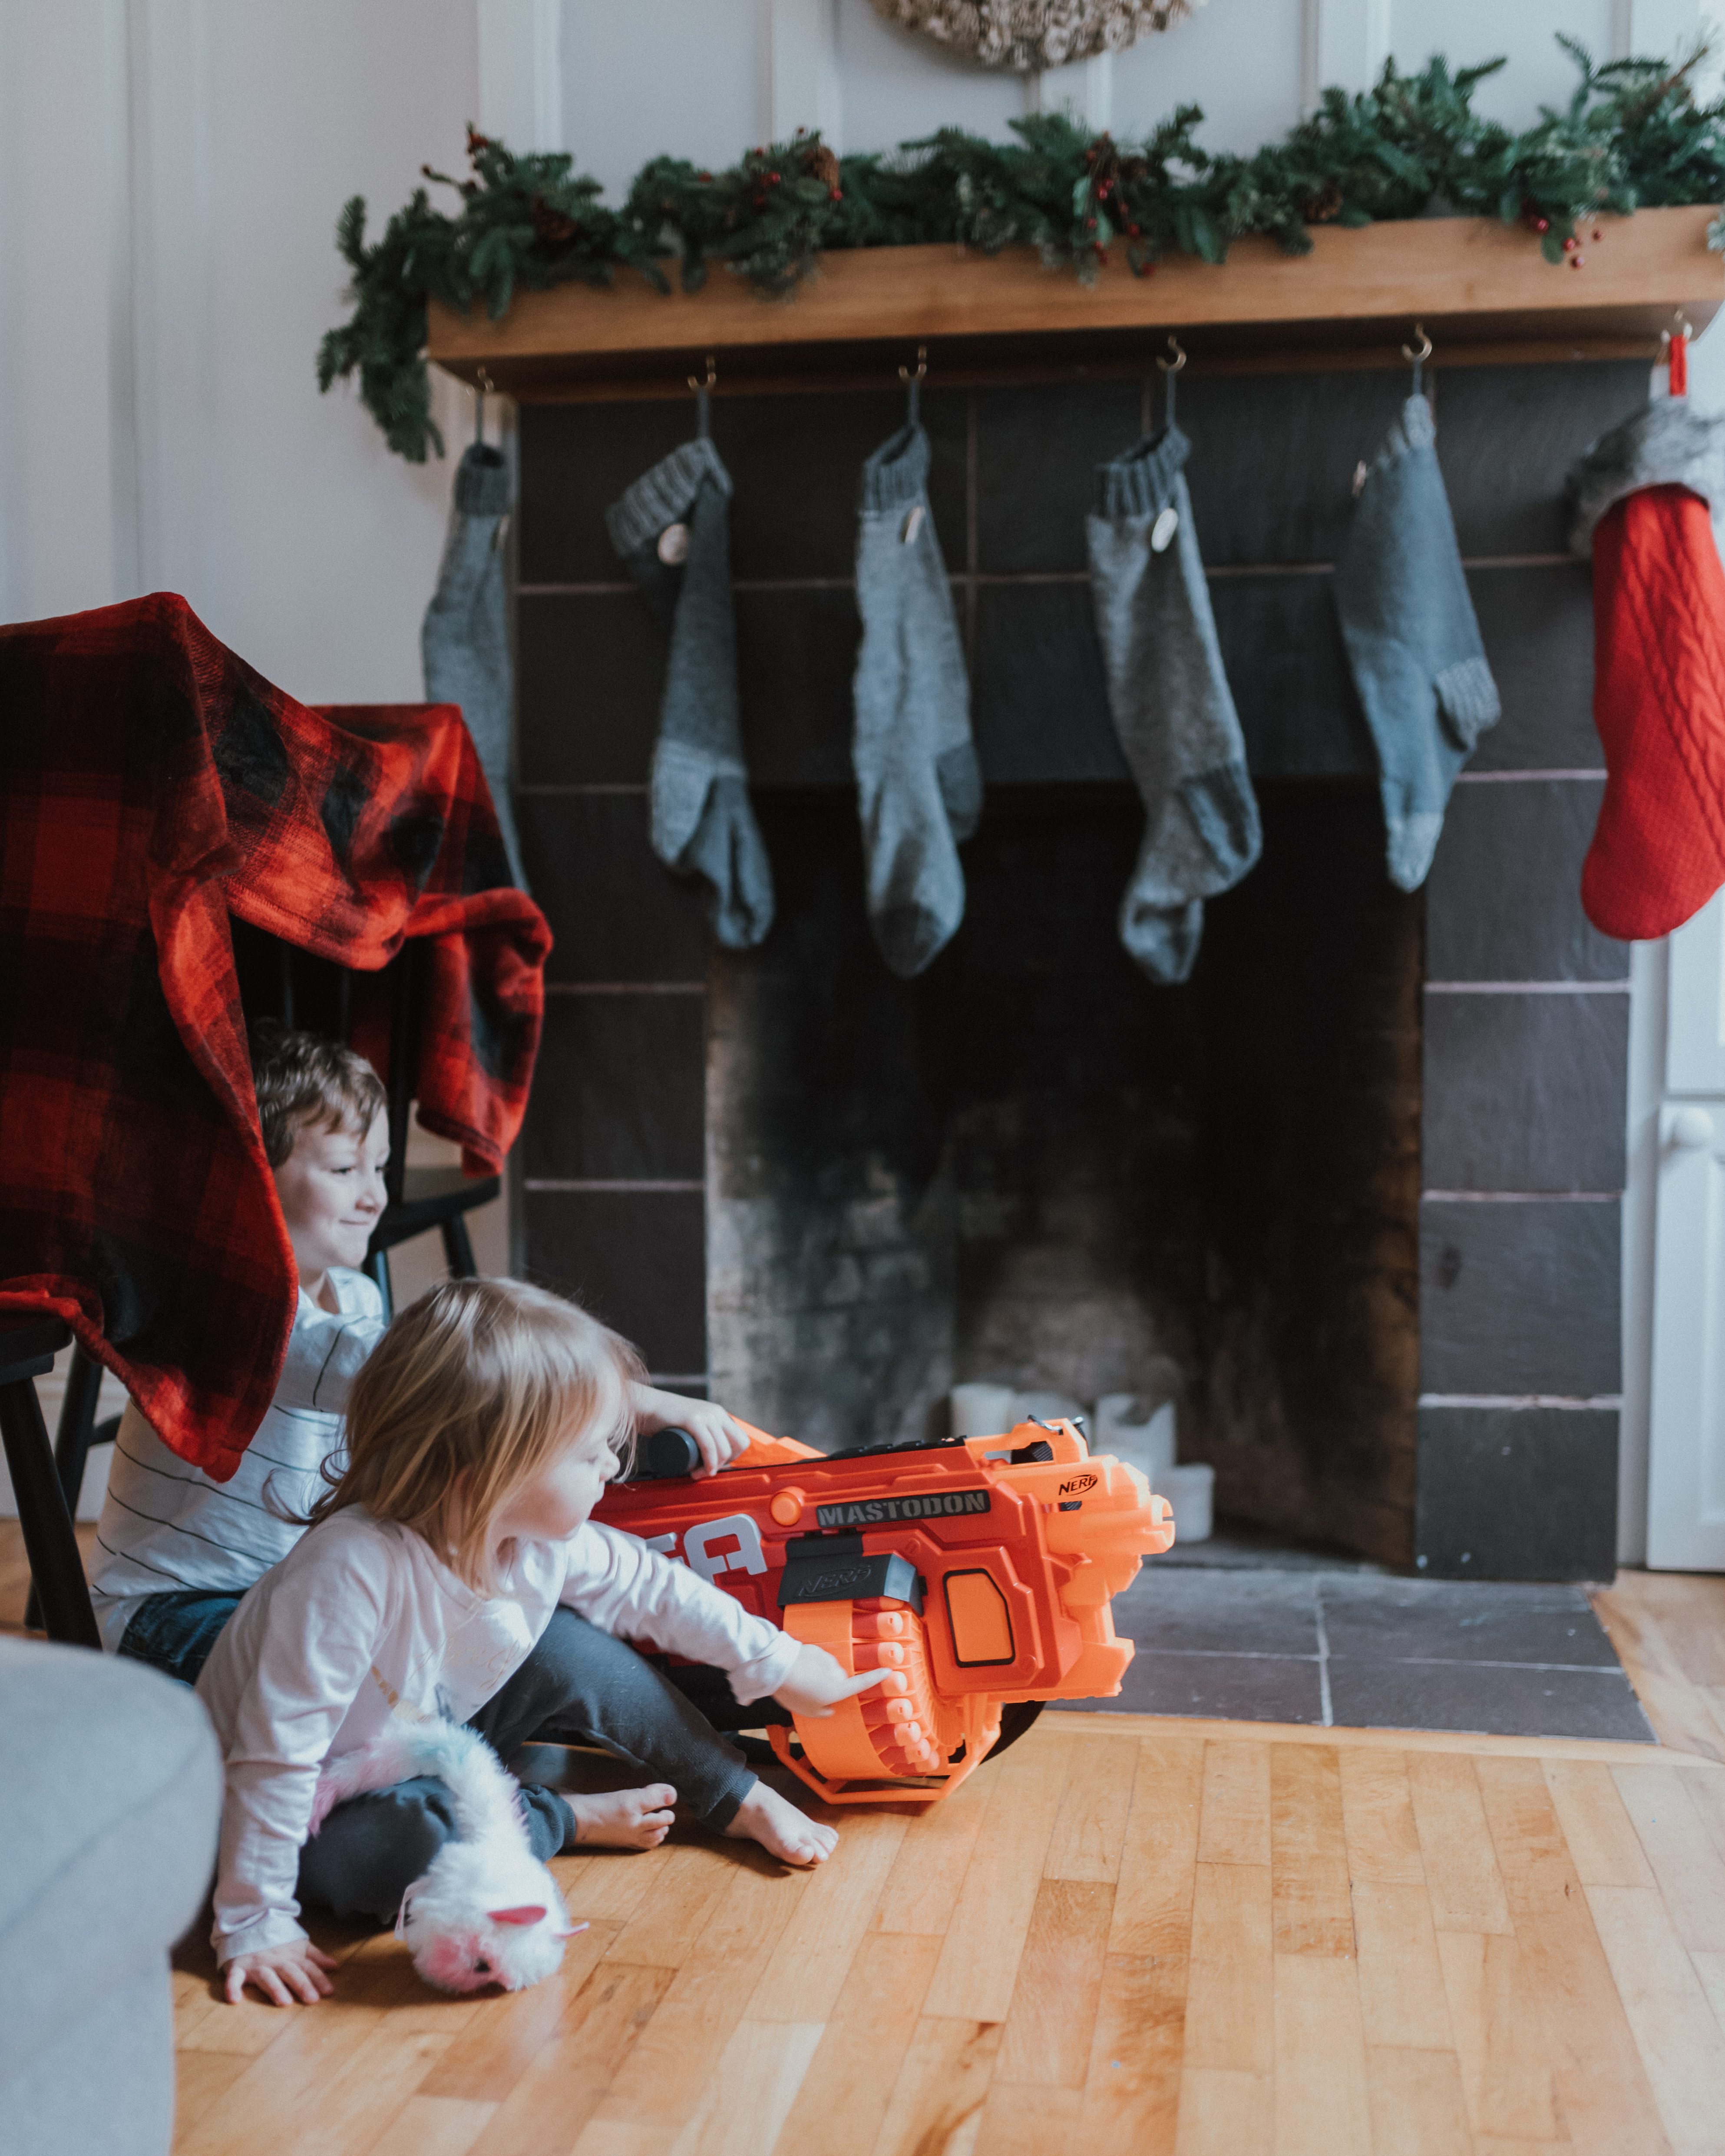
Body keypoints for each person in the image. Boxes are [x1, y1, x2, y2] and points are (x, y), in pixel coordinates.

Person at [198, 1275, 889, 2007]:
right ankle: (562, 1817)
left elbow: (656, 1590)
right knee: (401, 1856)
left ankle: (733, 1793)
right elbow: (275, 1760)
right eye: (589, 1452)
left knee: (574, 1649)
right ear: (490, 1470)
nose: (613, 1468)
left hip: (424, 1734)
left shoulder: (534, 1543)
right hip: (306, 1795)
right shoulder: (347, 1572)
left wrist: (778, 1663)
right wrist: (254, 1919)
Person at [91, 1023, 747, 1683]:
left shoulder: (354, 1296)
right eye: (345, 1170)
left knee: (478, 1639)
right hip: (171, 1615)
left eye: (378, 1166)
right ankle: (457, 1782)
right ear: (251, 1179)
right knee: (389, 1678)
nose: (375, 1196)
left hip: (293, 1595)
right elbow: (433, 1371)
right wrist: (633, 1398)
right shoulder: (234, 1312)